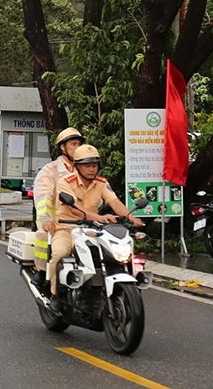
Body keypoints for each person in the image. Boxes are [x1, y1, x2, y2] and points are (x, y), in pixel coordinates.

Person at [48, 144, 141, 312]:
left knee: (111, 256)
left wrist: (131, 217)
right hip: (67, 228)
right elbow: (74, 207)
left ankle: (99, 289)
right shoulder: (65, 182)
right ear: (77, 166)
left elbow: (114, 202)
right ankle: (55, 295)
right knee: (59, 254)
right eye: (87, 165)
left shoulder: (101, 183)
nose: (92, 169)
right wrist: (99, 217)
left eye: (94, 165)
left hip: (93, 230)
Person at [30, 127, 85, 288]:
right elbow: (43, 197)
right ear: (63, 147)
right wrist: (46, 220)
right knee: (43, 235)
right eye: (73, 144)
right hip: (56, 223)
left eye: (79, 144)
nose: (77, 148)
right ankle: (41, 271)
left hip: (81, 224)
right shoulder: (50, 171)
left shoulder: (86, 169)